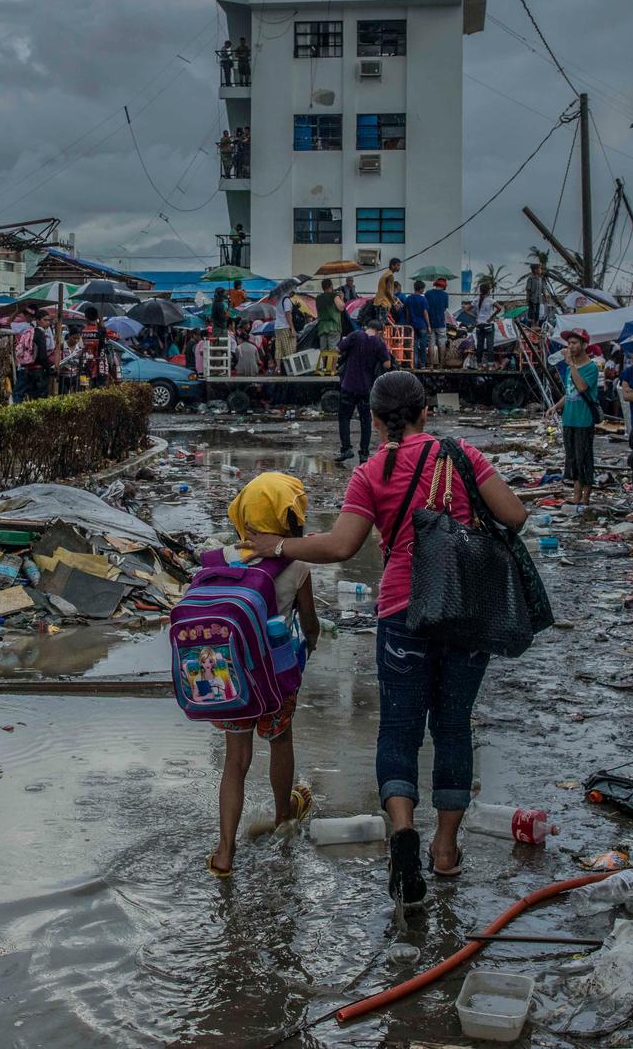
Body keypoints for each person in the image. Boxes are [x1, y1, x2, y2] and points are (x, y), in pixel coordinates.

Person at [245, 371, 528, 906]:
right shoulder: (463, 456)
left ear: (374, 421)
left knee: (398, 729)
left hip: (403, 613)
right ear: (426, 412)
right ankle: (444, 851)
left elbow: (340, 548)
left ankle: (402, 833)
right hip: (466, 615)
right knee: (452, 727)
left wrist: (277, 547)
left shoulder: (372, 471)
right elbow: (515, 516)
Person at [204, 473, 320, 877]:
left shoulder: (225, 557)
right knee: (280, 741)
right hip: (274, 678)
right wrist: (313, 642)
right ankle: (282, 816)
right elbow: (309, 622)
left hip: (232, 677)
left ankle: (224, 852)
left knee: (235, 761)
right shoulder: (298, 564)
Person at [335, 309, 393, 462]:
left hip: (348, 385)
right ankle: (364, 453)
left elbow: (338, 348)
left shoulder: (355, 335)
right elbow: (387, 365)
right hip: (366, 388)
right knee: (366, 421)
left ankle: (346, 449)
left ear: (367, 327)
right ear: (380, 332)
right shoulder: (379, 343)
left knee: (344, 418)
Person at [559, 329, 599, 506]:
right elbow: (569, 392)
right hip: (569, 419)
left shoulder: (591, 368)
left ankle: (586, 496)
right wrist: (555, 406)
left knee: (584, 457)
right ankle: (576, 494)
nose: (571, 346)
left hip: (584, 420)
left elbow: (581, 387)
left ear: (584, 345)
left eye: (575, 343)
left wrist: (571, 365)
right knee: (572, 458)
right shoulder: (570, 368)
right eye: (569, 343)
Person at [13, 306, 56, 401]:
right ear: (38, 321)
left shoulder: (30, 332)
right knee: (39, 398)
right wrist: (49, 370)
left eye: (49, 320)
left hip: (26, 368)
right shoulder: (40, 334)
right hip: (38, 371)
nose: (48, 322)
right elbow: (42, 356)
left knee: (19, 393)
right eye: (45, 320)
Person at [315, 278, 345, 373]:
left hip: (322, 326)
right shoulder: (334, 296)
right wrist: (341, 298)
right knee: (333, 348)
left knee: (323, 349)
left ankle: (324, 367)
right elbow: (341, 307)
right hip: (333, 326)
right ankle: (332, 369)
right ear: (331, 286)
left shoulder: (318, 298)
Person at [402, 281, 431, 367]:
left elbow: (407, 313)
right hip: (422, 325)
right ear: (421, 289)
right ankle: (423, 365)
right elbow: (425, 312)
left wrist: (408, 323)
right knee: (423, 345)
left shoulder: (408, 299)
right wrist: (428, 325)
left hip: (412, 325)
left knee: (413, 345)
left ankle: (414, 363)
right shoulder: (423, 299)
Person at [425, 279, 450, 366]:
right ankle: (441, 364)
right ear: (444, 286)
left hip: (429, 323)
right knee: (442, 343)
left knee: (431, 344)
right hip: (441, 323)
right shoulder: (445, 295)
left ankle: (431, 364)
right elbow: (445, 308)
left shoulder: (428, 293)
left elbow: (425, 307)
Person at [472, 282, 497, 365]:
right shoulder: (490, 300)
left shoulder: (476, 300)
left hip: (479, 325)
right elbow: (499, 308)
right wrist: (491, 317)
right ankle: (490, 364)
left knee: (480, 345)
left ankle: (479, 363)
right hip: (488, 325)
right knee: (490, 345)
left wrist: (475, 317)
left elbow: (466, 309)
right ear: (488, 291)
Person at [375, 259, 403, 324]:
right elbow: (387, 291)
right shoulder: (390, 276)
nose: (399, 267)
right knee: (382, 326)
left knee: (379, 325)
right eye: (398, 265)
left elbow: (388, 291)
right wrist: (395, 303)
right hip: (383, 303)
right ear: (392, 266)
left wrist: (396, 299)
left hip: (379, 302)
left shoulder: (386, 274)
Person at [524, 262, 547, 327]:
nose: (541, 270)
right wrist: (527, 299)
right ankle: (532, 325)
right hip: (532, 299)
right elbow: (528, 290)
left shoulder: (541, 279)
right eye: (539, 269)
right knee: (532, 313)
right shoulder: (531, 278)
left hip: (538, 299)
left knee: (537, 313)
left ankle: (536, 325)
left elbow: (543, 289)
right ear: (535, 270)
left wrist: (545, 297)